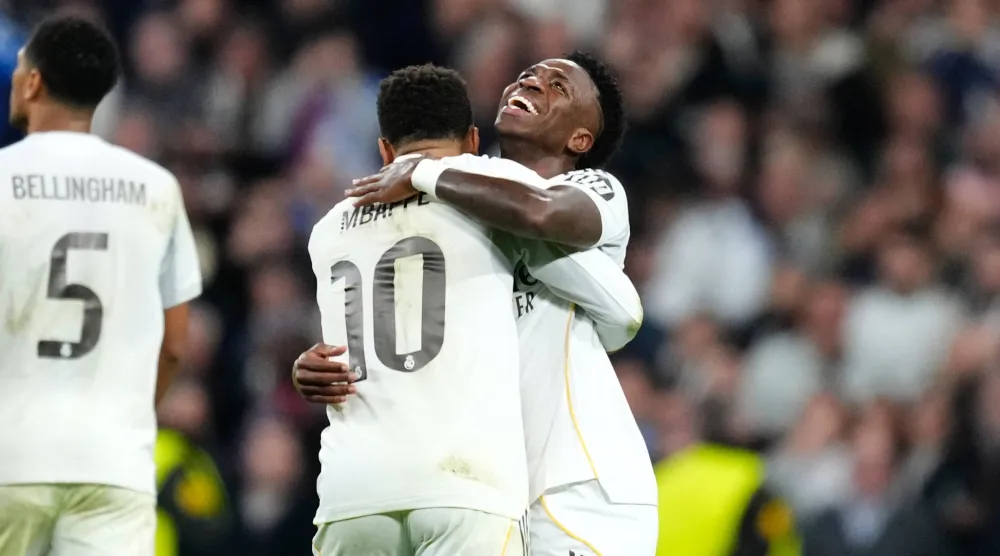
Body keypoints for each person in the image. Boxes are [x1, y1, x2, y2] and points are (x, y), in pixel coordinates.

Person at [317, 52, 658, 555]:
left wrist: (422, 173)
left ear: (580, 139)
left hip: (577, 482)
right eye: (528, 74)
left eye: (558, 86)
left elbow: (544, 220)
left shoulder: (590, 187)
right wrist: (323, 359)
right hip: (486, 485)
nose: (533, 82)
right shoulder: (457, 208)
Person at [0, 15, 201, 556]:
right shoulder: (157, 188)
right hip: (114, 460)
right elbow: (177, 345)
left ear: (34, 82)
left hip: (10, 454)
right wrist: (132, 414)